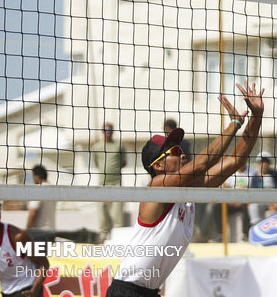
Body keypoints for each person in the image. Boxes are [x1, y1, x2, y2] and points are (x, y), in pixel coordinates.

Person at [105, 82, 263, 297]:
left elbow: (235, 160)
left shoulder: (189, 191)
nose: (182, 153)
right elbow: (201, 164)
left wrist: (256, 116)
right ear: (158, 165)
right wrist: (234, 123)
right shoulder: (156, 187)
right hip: (127, 291)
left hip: (149, 291)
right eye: (174, 150)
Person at [0, 200, 50, 297]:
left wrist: (34, 290)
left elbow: (44, 263)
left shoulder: (17, 237)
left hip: (26, 289)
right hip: (6, 291)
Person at [90, 122, 127, 242]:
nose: (108, 132)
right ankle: (103, 238)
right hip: (102, 185)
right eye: (106, 130)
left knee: (117, 217)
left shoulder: (119, 146)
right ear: (102, 132)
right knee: (102, 215)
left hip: (116, 184)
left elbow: (123, 162)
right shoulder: (96, 147)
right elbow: (96, 164)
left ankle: (119, 239)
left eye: (110, 130)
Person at [249, 151, 277, 225]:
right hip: (261, 200)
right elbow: (252, 193)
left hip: (274, 199)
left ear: (269, 163)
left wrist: (275, 202)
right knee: (252, 207)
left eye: (266, 162)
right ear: (258, 163)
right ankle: (256, 226)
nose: (264, 164)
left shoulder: (275, 173)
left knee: (267, 177)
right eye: (261, 162)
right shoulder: (254, 176)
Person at [223, 162, 251, 242]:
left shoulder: (251, 172)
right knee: (217, 207)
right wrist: (231, 201)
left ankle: (245, 235)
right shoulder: (230, 173)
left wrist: (241, 201)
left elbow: (251, 189)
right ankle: (220, 235)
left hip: (244, 201)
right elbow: (226, 188)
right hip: (231, 202)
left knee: (248, 208)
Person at [26, 165, 57, 230]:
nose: (33, 178)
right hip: (52, 231)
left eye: (33, 176)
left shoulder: (38, 189)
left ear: (37, 176)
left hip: (41, 233)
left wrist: (26, 232)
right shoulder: (53, 189)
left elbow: (33, 213)